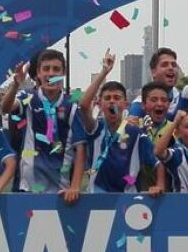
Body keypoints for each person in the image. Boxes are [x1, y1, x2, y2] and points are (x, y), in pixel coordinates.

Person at [71, 50, 164, 198]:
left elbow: (157, 164)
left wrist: (159, 186)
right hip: (97, 198)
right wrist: (104, 72)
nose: (112, 101)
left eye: (117, 97)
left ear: (125, 104)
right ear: (100, 104)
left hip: (127, 199)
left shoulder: (136, 134)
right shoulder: (96, 129)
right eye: (107, 98)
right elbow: (83, 105)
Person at [1, 48, 79, 194]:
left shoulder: (72, 105)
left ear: (63, 73)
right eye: (46, 69)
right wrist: (15, 85)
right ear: (38, 73)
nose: (51, 74)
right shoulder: (28, 97)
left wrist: (75, 186)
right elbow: (6, 108)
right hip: (28, 188)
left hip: (60, 189)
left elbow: (80, 149)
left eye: (56, 69)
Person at [152, 109, 188, 192]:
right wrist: (175, 123)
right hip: (182, 199)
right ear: (177, 132)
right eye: (187, 127)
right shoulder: (177, 154)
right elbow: (158, 151)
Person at [133, 81, 174, 190]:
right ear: (143, 105)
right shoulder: (132, 128)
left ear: (169, 105)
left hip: (168, 193)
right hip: (135, 192)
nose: (159, 104)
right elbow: (121, 166)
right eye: (154, 100)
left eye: (164, 100)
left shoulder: (176, 130)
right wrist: (131, 184)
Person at [128, 47, 182, 120]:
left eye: (174, 65)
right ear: (153, 72)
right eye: (165, 65)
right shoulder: (139, 105)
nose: (171, 68)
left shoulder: (184, 99)